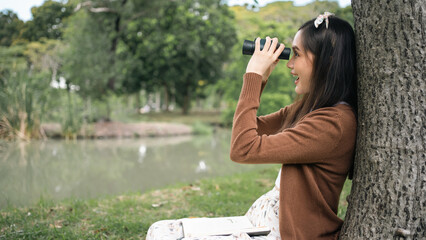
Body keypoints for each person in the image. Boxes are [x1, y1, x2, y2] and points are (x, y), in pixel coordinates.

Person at [146, 12, 357, 240]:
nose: (290, 64)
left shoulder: (332, 124)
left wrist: (253, 75)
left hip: (286, 235)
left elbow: (243, 149)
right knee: (160, 230)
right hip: (262, 223)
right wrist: (260, 80)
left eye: (296, 54)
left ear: (328, 61)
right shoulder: (309, 109)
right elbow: (245, 132)